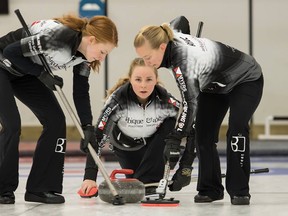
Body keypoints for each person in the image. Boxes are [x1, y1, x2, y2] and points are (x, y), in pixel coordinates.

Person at [133, 16, 264, 205]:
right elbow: (181, 20)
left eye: (148, 57)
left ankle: (240, 190)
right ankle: (210, 189)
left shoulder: (183, 61)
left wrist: (176, 137)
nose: (146, 62)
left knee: (237, 130)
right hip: (214, 84)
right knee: (204, 134)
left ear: (162, 47)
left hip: (245, 79)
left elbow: (189, 102)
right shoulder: (168, 33)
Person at [0, 14, 118, 204]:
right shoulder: (58, 37)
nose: (102, 58)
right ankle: (2, 189)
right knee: (12, 124)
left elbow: (80, 92)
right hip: (2, 64)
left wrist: (87, 126)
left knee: (55, 121)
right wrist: (41, 74)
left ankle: (40, 188)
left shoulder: (85, 59)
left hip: (24, 72)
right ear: (92, 40)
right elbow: (10, 52)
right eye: (102, 51)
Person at [78, 57, 196, 197]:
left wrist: (185, 169)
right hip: (126, 147)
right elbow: (97, 137)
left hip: (154, 147)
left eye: (149, 80)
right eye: (138, 79)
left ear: (156, 80)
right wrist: (89, 178)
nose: (143, 86)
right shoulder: (118, 100)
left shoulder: (165, 100)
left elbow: (192, 125)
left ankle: (150, 177)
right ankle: (147, 178)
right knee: (140, 183)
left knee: (172, 122)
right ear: (130, 79)